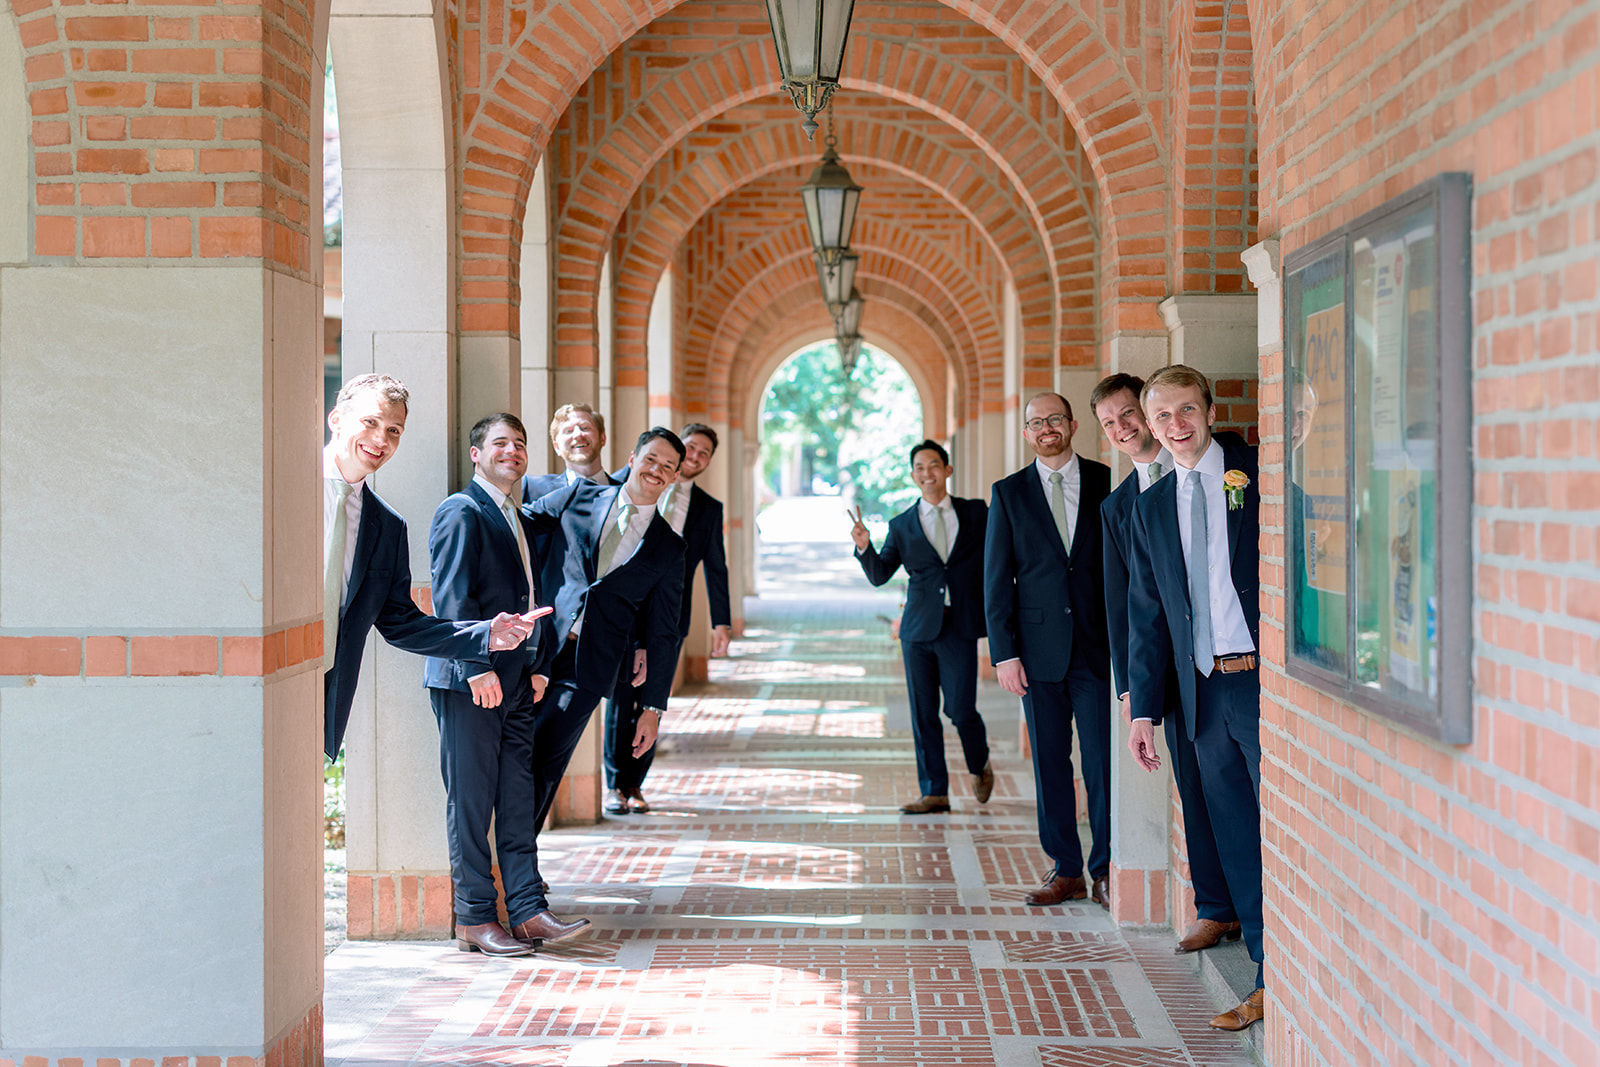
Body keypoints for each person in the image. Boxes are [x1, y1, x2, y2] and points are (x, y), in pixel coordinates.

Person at [1125, 365, 1266, 1031]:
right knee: (1237, 834)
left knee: (1278, 831)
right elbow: (1147, 612)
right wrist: (1143, 708)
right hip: (1204, 695)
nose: (1176, 425)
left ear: (1209, 409)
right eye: (1162, 417)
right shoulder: (1150, 504)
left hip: (1262, 682)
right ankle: (1268, 976)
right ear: (1149, 426)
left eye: (1187, 410)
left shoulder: (1253, 472)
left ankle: (1278, 970)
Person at [514, 427, 688, 942]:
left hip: (588, 667)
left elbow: (664, 629)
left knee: (545, 762)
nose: (657, 470)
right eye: (651, 458)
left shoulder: (667, 549)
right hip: (533, 645)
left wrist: (653, 707)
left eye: (668, 467)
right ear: (632, 458)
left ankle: (519, 879)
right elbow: (521, 527)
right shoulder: (580, 495)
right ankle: (509, 873)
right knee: (510, 754)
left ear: (675, 478)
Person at [1094, 373, 1240, 953]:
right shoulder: (1122, 505)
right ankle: (1215, 906)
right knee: (1197, 791)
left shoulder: (1226, 468)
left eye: (1128, 414)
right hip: (1168, 674)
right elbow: (1126, 605)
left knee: (1232, 794)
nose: (1124, 428)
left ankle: (1245, 910)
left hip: (1225, 664)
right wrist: (1134, 691)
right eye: (1112, 424)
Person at [322, 374, 537, 760]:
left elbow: (401, 623)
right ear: (336, 419)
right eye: (370, 422)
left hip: (327, 693)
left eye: (394, 430)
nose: (381, 440)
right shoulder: (280, 486)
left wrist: (484, 634)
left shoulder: (386, 527)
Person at [424, 413, 555, 957]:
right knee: (473, 802)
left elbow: (530, 596)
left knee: (517, 797)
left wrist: (536, 664)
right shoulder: (462, 510)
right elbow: (451, 597)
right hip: (471, 681)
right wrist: (475, 667)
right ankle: (475, 917)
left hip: (518, 678)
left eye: (520, 444)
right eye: (500, 443)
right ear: (476, 454)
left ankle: (527, 910)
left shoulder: (517, 517)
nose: (513, 451)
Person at [983, 392, 1112, 908]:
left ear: (1073, 424)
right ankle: (1066, 869)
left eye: (1054, 419)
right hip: (1035, 656)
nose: (1046, 429)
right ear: (1026, 433)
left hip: (1098, 649)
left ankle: (1104, 868)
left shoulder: (1107, 480)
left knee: (1102, 764)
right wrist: (1003, 653)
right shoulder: (1009, 493)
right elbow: (996, 581)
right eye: (1036, 422)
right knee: (1051, 764)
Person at [850, 440, 992, 814]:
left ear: (947, 469)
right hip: (916, 632)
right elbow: (880, 574)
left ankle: (979, 763)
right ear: (913, 476)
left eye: (933, 465)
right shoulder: (901, 525)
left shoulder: (977, 513)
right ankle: (935, 791)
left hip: (959, 626)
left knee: (961, 711)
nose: (926, 473)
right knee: (923, 711)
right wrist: (865, 547)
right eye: (919, 468)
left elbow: (997, 559)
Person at [603, 423, 733, 815]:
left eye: (704, 453)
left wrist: (721, 622)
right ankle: (614, 783)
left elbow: (716, 566)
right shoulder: (625, 489)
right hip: (625, 611)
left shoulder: (709, 509)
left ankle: (635, 784)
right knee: (621, 697)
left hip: (670, 617)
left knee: (653, 699)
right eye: (691, 448)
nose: (696, 456)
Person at [524, 402, 618, 502]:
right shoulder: (534, 491)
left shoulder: (625, 492)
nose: (578, 434)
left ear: (602, 438)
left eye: (585, 428)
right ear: (557, 447)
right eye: (568, 431)